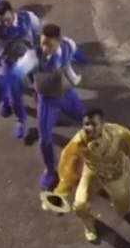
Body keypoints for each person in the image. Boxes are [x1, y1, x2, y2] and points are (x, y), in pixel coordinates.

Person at [51, 108, 130, 243]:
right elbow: (68, 164)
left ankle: (123, 185)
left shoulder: (119, 133)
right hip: (92, 173)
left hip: (116, 175)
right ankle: (88, 224)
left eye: (94, 124)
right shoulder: (79, 141)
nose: (89, 128)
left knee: (124, 210)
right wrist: (62, 191)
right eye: (86, 124)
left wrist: (122, 162)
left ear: (102, 123)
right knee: (79, 204)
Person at [28, 23, 86, 190]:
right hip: (47, 99)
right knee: (45, 138)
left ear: (59, 40)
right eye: (43, 43)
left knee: (85, 120)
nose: (45, 48)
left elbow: (76, 53)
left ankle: (98, 152)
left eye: (49, 45)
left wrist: (84, 60)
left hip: (66, 92)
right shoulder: (33, 55)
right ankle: (50, 170)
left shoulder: (68, 45)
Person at [0, 0, 41, 138]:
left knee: (39, 84)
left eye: (7, 19)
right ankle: (21, 121)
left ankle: (39, 101)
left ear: (13, 12)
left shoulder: (29, 18)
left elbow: (37, 35)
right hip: (9, 62)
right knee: (14, 94)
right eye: (1, 21)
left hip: (28, 58)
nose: (5, 24)